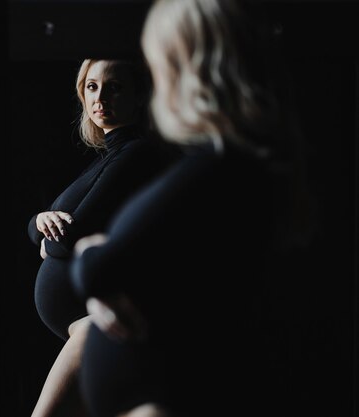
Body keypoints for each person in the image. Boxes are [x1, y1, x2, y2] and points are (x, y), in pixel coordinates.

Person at [70, 1, 314, 417]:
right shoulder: (237, 164)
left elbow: (97, 268)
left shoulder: (219, 167)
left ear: (186, 69)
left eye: (159, 63)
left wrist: (90, 249)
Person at [27, 58, 181, 417]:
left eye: (114, 87)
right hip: (90, 327)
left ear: (140, 95)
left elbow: (70, 237)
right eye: (92, 87)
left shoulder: (137, 154)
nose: (100, 97)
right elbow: (44, 228)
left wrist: (46, 240)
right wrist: (38, 224)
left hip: (98, 325)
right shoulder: (107, 158)